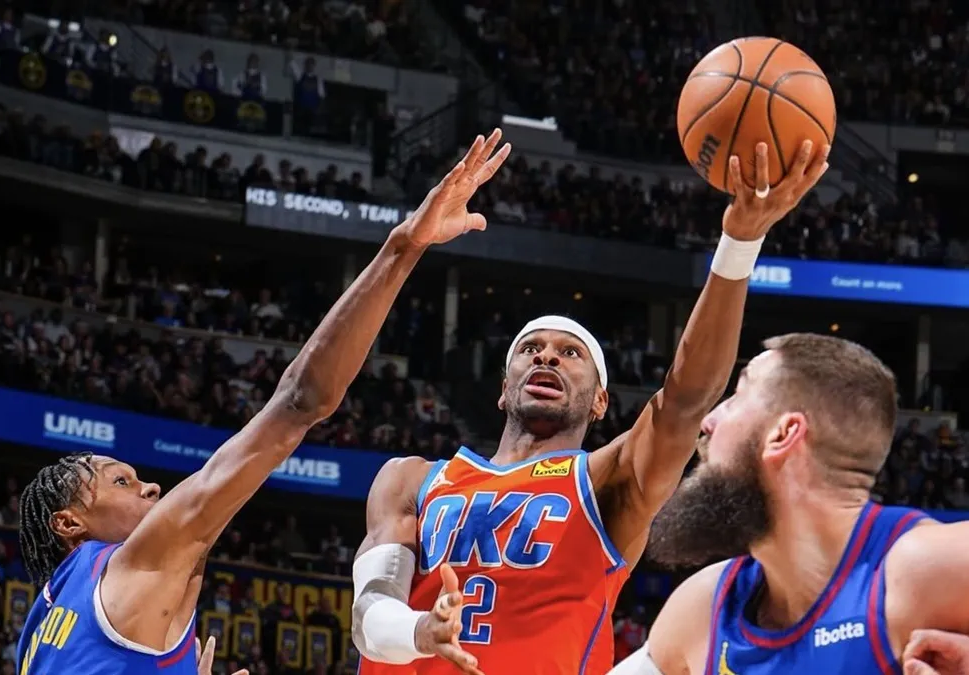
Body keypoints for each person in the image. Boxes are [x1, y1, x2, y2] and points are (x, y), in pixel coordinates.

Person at [13, 129, 513, 674]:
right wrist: (404, 246)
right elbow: (300, 401)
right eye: (121, 482)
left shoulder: (37, 634)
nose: (151, 487)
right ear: (69, 524)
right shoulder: (129, 566)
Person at [353, 141, 832, 675]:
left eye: (571, 353)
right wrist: (422, 631)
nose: (547, 357)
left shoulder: (608, 483)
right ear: (503, 389)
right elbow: (369, 616)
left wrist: (739, 241)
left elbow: (685, 400)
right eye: (531, 349)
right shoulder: (411, 481)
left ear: (601, 400)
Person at [607, 333, 969, 675]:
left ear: (783, 434)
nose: (708, 421)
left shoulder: (932, 569)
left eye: (737, 396)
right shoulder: (704, 606)